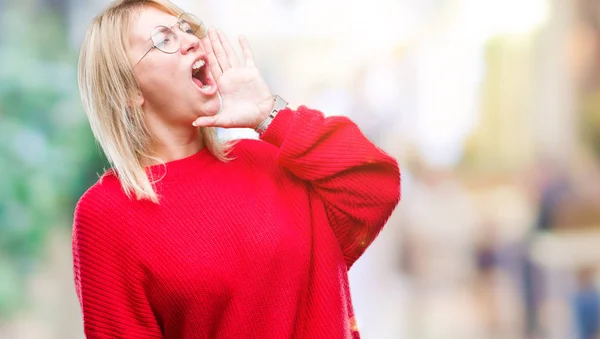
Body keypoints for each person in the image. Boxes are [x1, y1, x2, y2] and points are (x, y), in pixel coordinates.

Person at [72, 0, 401, 338]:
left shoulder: (268, 161)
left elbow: (375, 184)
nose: (189, 40)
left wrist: (269, 114)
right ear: (128, 89)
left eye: (185, 28)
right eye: (163, 39)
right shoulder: (107, 214)